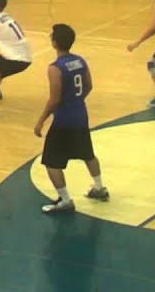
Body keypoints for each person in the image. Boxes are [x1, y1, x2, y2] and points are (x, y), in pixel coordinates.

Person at [34, 23, 109, 214]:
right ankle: (99, 187)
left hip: (63, 121)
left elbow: (54, 99)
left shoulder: (55, 68)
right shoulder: (80, 61)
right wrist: (76, 100)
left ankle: (65, 200)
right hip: (81, 115)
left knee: (51, 162)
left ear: (54, 42)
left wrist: (41, 119)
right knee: (88, 154)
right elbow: (89, 85)